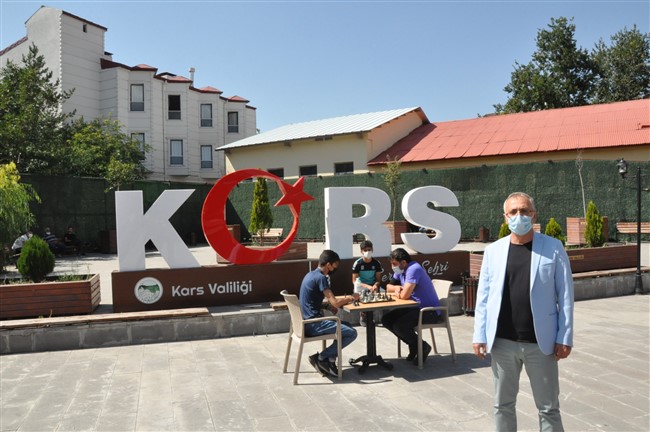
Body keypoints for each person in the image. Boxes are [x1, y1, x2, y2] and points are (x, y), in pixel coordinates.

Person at [472, 192, 574, 432]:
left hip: (541, 343)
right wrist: (479, 334)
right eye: (514, 212)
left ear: (533, 215)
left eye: (525, 211)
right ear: (505, 217)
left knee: (548, 407)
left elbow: (566, 295)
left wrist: (565, 336)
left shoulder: (553, 247)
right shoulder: (493, 251)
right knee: (502, 405)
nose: (520, 216)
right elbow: (483, 296)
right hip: (502, 342)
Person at [299, 249, 358, 377]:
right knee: (351, 333)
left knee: (347, 326)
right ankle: (321, 358)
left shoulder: (310, 275)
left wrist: (327, 306)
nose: (335, 269)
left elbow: (311, 301)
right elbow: (336, 302)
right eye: (335, 265)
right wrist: (351, 298)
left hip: (306, 323)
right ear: (328, 265)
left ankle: (330, 360)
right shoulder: (321, 278)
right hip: (314, 324)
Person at [382, 247, 442, 364]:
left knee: (400, 325)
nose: (392, 267)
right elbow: (388, 287)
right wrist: (396, 288)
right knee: (387, 319)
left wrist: (398, 292)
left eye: (394, 264)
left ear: (403, 262)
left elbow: (404, 296)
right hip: (414, 307)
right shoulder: (400, 271)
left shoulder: (414, 269)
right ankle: (414, 345)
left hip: (429, 311)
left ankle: (422, 347)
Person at [351, 240, 383, 326]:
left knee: (380, 294)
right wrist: (367, 286)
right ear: (361, 251)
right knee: (358, 293)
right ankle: (363, 314)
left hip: (372, 286)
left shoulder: (377, 263)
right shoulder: (357, 263)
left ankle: (372, 316)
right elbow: (354, 281)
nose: (367, 252)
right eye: (365, 250)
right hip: (360, 286)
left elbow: (378, 280)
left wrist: (375, 285)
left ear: (372, 250)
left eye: (369, 250)